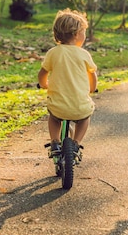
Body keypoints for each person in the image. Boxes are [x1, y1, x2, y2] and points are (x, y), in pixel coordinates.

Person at [38, 9, 98, 158]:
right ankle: (76, 144)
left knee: (54, 117)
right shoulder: (84, 54)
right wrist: (92, 88)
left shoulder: (53, 53)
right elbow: (92, 74)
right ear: (77, 34)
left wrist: (44, 84)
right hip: (79, 106)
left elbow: (43, 73)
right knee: (85, 118)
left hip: (58, 106)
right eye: (84, 31)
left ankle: (55, 142)